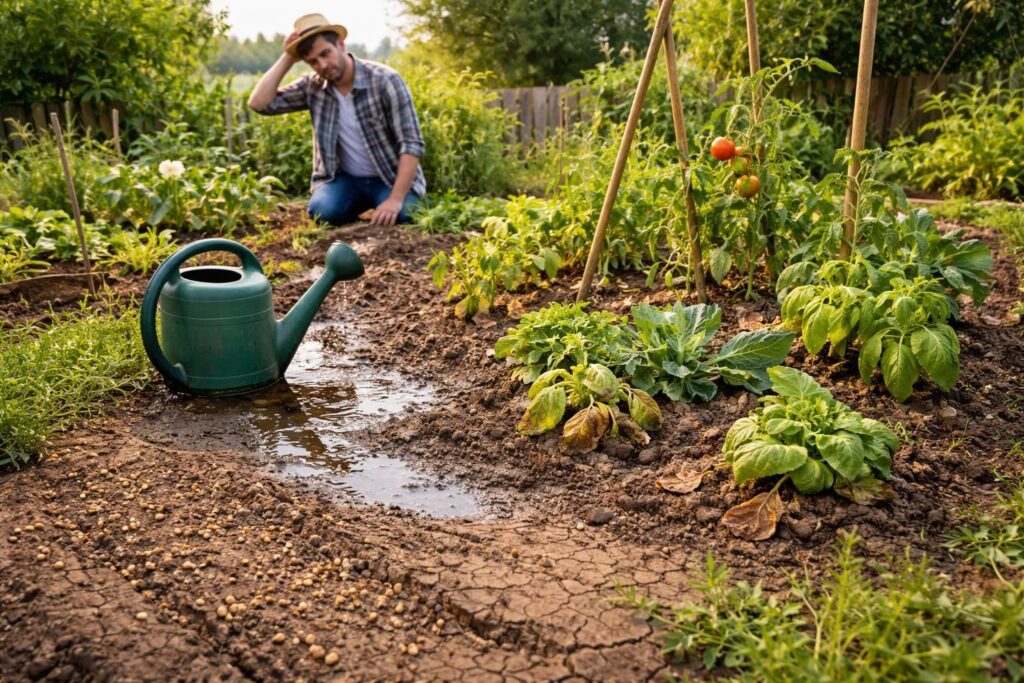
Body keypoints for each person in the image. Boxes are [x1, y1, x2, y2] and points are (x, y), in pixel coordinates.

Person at [248, 13, 425, 226]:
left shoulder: (386, 80)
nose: (322, 65)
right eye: (313, 61)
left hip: (389, 177)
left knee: (406, 214)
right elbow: (260, 104)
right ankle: (352, 209)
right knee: (323, 212)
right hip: (345, 180)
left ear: (341, 45)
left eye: (325, 54)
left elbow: (412, 144)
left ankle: (388, 202)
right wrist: (288, 57)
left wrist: (395, 200)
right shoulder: (313, 87)